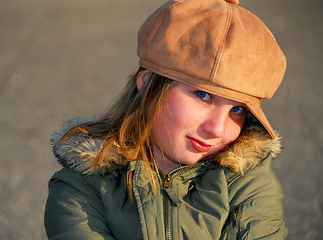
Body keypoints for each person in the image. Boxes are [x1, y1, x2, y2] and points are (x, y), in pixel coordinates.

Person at [44, 0, 288, 239]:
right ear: (148, 82)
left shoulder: (247, 179)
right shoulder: (82, 184)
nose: (217, 128)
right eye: (203, 95)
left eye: (237, 109)